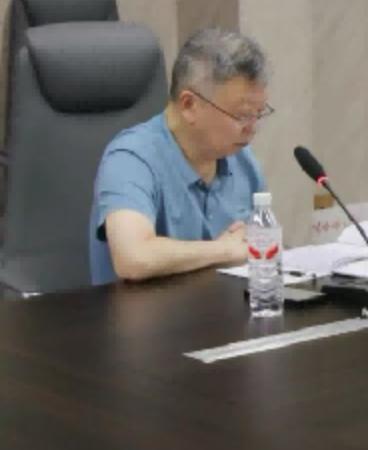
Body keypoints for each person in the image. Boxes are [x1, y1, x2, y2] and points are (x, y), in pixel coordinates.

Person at [89, 28, 271, 285]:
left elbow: (258, 250)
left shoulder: (243, 162)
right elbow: (134, 257)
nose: (252, 128)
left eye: (259, 114)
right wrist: (224, 250)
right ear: (189, 105)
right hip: (145, 311)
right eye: (242, 115)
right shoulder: (131, 159)